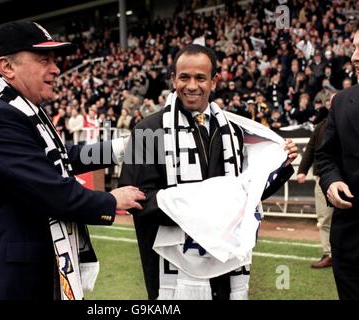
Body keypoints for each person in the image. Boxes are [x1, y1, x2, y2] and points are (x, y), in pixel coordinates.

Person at [0, 21, 145, 300]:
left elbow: (59, 156)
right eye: (44, 60)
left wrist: (122, 148)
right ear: (7, 67)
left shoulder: (11, 109)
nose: (56, 69)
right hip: (1, 280)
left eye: (55, 60)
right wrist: (112, 201)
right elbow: (50, 190)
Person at [119, 44, 298, 300]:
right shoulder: (147, 130)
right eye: (184, 77)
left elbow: (247, 197)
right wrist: (196, 208)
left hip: (224, 261)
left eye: (200, 77)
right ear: (173, 79)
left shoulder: (234, 130)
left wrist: (280, 166)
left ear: (214, 81)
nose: (191, 86)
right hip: (171, 264)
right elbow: (135, 199)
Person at [316, 21, 359, 300]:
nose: (354, 57)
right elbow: (326, 155)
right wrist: (332, 182)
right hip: (350, 243)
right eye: (355, 48)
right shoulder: (341, 102)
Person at [297, 100, 333, 268]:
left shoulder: (349, 122)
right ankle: (329, 254)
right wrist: (302, 170)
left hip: (348, 179)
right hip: (322, 178)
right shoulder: (320, 127)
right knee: (324, 218)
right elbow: (310, 149)